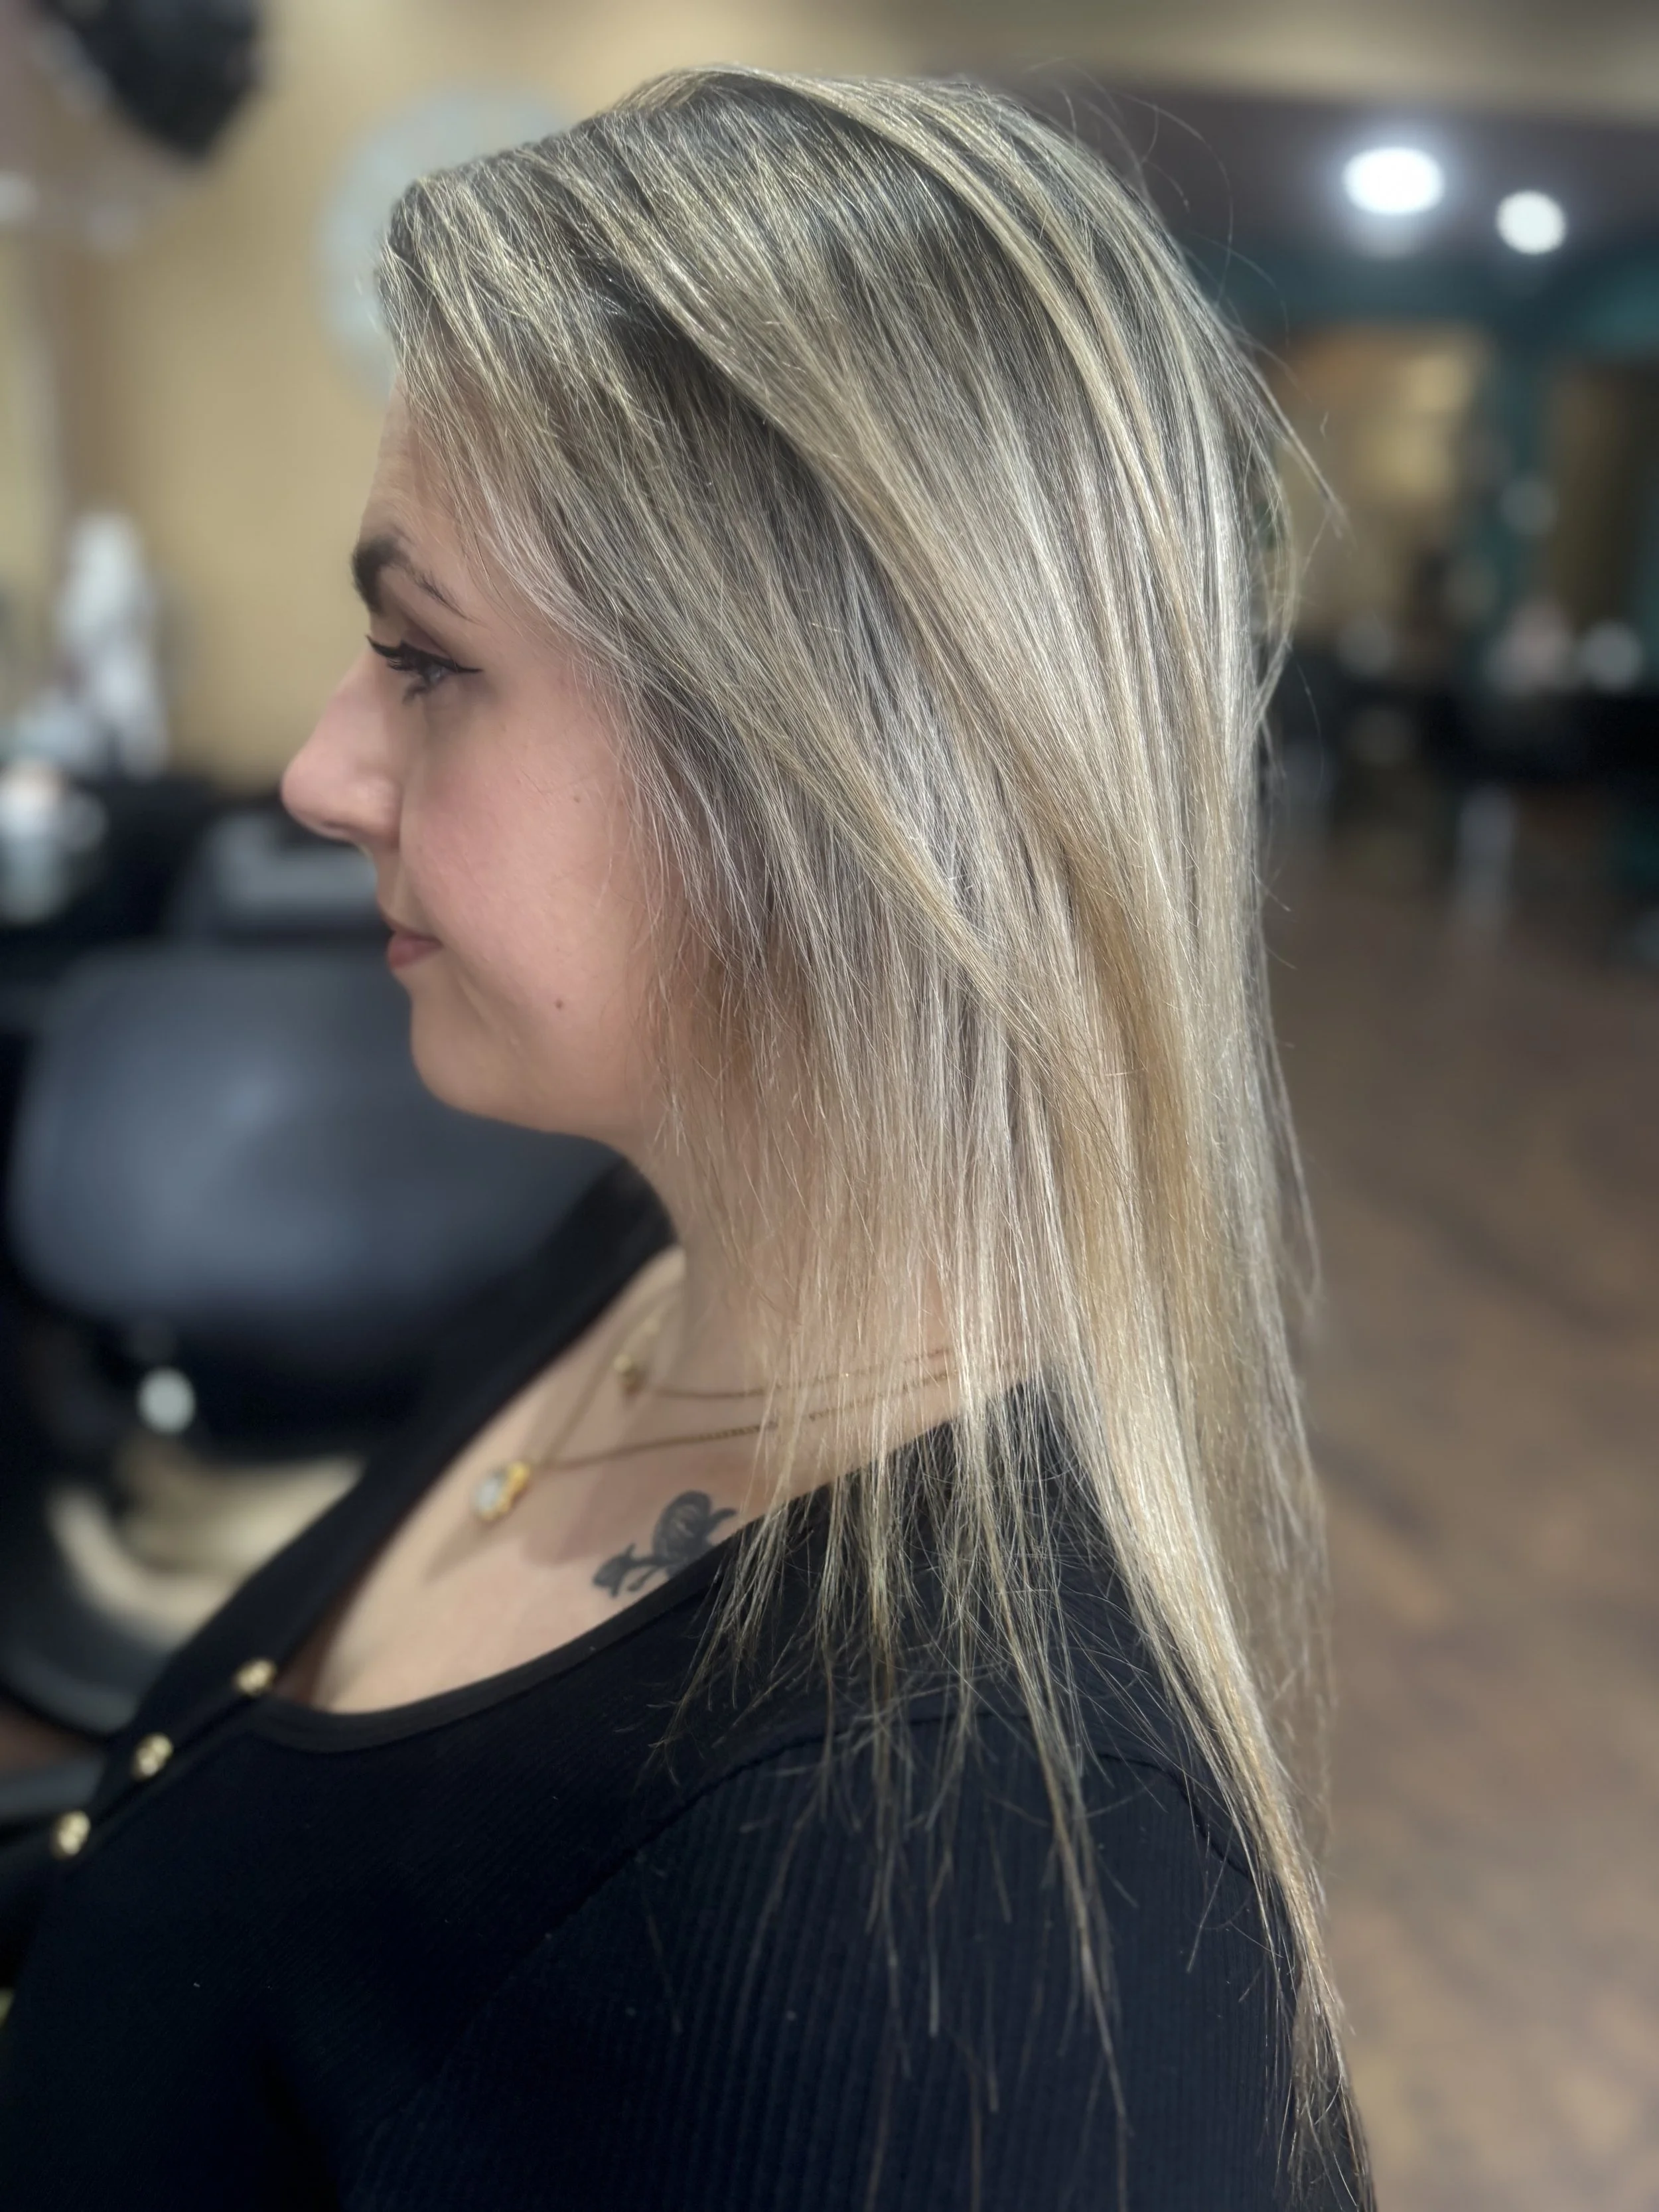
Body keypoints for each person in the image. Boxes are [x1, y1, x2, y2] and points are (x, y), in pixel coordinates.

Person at [0, 66, 1371, 2209]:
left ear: (827, 765)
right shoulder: (639, 1262)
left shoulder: (933, 1961)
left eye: (421, 655)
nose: (319, 770)